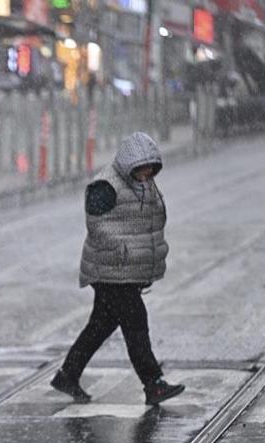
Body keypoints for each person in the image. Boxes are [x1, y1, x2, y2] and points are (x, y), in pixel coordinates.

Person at [51, 132, 185, 406]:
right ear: (129, 165)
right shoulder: (106, 185)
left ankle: (68, 374)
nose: (147, 174)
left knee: (101, 325)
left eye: (151, 168)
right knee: (136, 323)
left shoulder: (145, 184)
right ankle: (153, 383)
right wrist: (124, 249)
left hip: (124, 271)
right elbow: (97, 225)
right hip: (110, 271)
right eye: (142, 168)